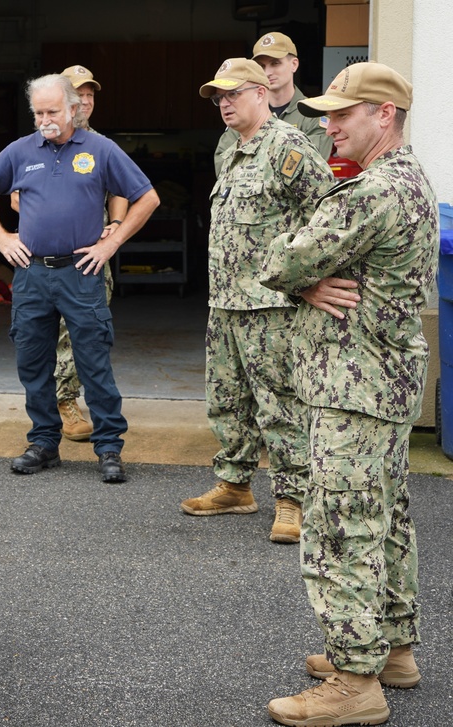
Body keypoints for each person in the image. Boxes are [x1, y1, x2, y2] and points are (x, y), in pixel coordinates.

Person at [261, 62, 434, 727]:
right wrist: (311, 283)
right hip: (385, 381)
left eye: (342, 114)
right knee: (384, 518)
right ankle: (391, 648)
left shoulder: (368, 193)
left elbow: (281, 259)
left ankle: (355, 681)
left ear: (382, 115)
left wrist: (301, 278)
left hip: (354, 385)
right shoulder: (410, 178)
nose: (328, 126)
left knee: (340, 529)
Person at [0, 73, 159, 483]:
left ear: (73, 109)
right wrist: (1, 237)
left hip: (81, 272)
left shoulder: (100, 149)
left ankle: (108, 448)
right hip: (32, 273)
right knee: (32, 362)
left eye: (52, 111)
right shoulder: (20, 152)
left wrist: (111, 242)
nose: (45, 119)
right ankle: (43, 442)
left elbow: (147, 197)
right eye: (38, 112)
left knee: (93, 363)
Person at [180, 59, 333, 543]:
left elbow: (326, 215)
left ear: (262, 93)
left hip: (270, 306)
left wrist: (307, 280)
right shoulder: (232, 151)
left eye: (232, 94)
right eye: (218, 98)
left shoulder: (287, 145)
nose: (223, 104)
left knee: (280, 405)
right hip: (225, 301)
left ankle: (292, 499)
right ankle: (235, 485)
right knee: (226, 400)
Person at [13, 64, 129, 442]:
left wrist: (113, 229)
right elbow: (14, 195)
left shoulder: (100, 145)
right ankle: (63, 405)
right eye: (79, 93)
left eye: (90, 94)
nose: (86, 100)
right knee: (45, 340)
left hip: (89, 256)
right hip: (44, 261)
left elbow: (125, 193)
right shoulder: (35, 144)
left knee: (90, 338)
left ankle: (107, 437)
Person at [213, 32, 332, 177]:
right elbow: (222, 167)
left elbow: (306, 171)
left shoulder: (313, 115)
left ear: (294, 64)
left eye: (275, 63)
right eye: (261, 66)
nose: (267, 72)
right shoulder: (244, 115)